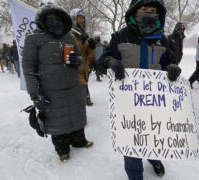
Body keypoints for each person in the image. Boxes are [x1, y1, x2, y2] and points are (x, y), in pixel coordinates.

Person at [100, 0, 181, 179]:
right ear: (135, 11)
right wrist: (110, 62)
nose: (149, 13)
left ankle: (154, 159)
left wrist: (172, 68)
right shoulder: (121, 36)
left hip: (155, 101)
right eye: (145, 9)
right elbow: (101, 62)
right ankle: (135, 175)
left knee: (154, 132)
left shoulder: (162, 38)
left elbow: (168, 62)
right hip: (127, 102)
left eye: (153, 10)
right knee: (131, 139)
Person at [22, 3, 93, 162]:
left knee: (77, 115)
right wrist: (35, 94)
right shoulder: (33, 39)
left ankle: (79, 141)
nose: (53, 20)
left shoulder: (68, 36)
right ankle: (62, 149)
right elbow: (28, 68)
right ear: (42, 19)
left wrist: (77, 60)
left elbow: (80, 60)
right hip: (50, 90)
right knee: (57, 120)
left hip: (73, 87)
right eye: (49, 17)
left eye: (56, 17)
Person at [69, 8, 96, 106]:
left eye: (83, 18)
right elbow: (74, 51)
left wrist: (92, 47)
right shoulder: (69, 34)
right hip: (75, 69)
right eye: (80, 18)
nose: (82, 20)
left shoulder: (82, 33)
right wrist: (82, 42)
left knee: (84, 87)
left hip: (84, 68)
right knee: (80, 92)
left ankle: (85, 97)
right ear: (73, 19)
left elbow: (88, 54)